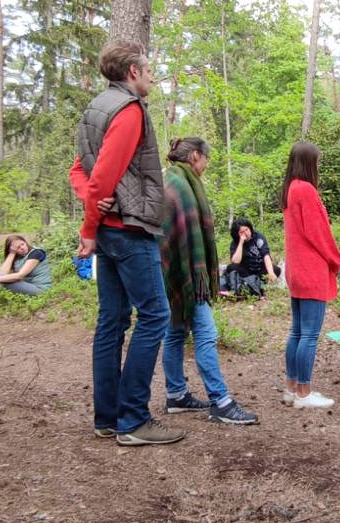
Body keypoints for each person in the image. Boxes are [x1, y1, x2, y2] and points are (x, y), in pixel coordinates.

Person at [69, 40, 183, 447]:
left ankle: (108, 418)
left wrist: (90, 209)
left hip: (109, 230)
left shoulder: (95, 107)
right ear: (133, 70)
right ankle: (133, 419)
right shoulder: (128, 111)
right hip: (129, 230)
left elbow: (78, 173)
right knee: (154, 316)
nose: (152, 74)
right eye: (149, 67)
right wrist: (88, 226)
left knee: (112, 321)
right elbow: (101, 175)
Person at [148, 137, 260, 425]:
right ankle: (220, 401)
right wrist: (194, 274)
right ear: (196, 156)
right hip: (188, 275)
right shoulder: (183, 187)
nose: (206, 165)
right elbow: (182, 236)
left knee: (174, 333)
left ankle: (176, 394)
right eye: (206, 159)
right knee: (206, 334)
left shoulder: (170, 180)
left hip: (170, 273)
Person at [281, 141, 340, 409]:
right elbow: (319, 233)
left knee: (297, 332)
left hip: (296, 269)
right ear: (309, 163)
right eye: (316, 162)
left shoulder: (290, 189)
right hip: (310, 270)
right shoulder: (306, 190)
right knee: (309, 334)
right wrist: (335, 260)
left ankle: (291, 387)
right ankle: (304, 394)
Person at [225, 218, 277, 296]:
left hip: (260, 269)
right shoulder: (235, 243)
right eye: (241, 232)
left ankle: (254, 284)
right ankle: (249, 284)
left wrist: (271, 272)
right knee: (231, 267)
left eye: (246, 229)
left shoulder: (258, 237)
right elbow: (235, 261)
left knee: (275, 269)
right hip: (246, 271)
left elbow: (266, 255)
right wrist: (241, 242)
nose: (246, 233)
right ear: (237, 234)